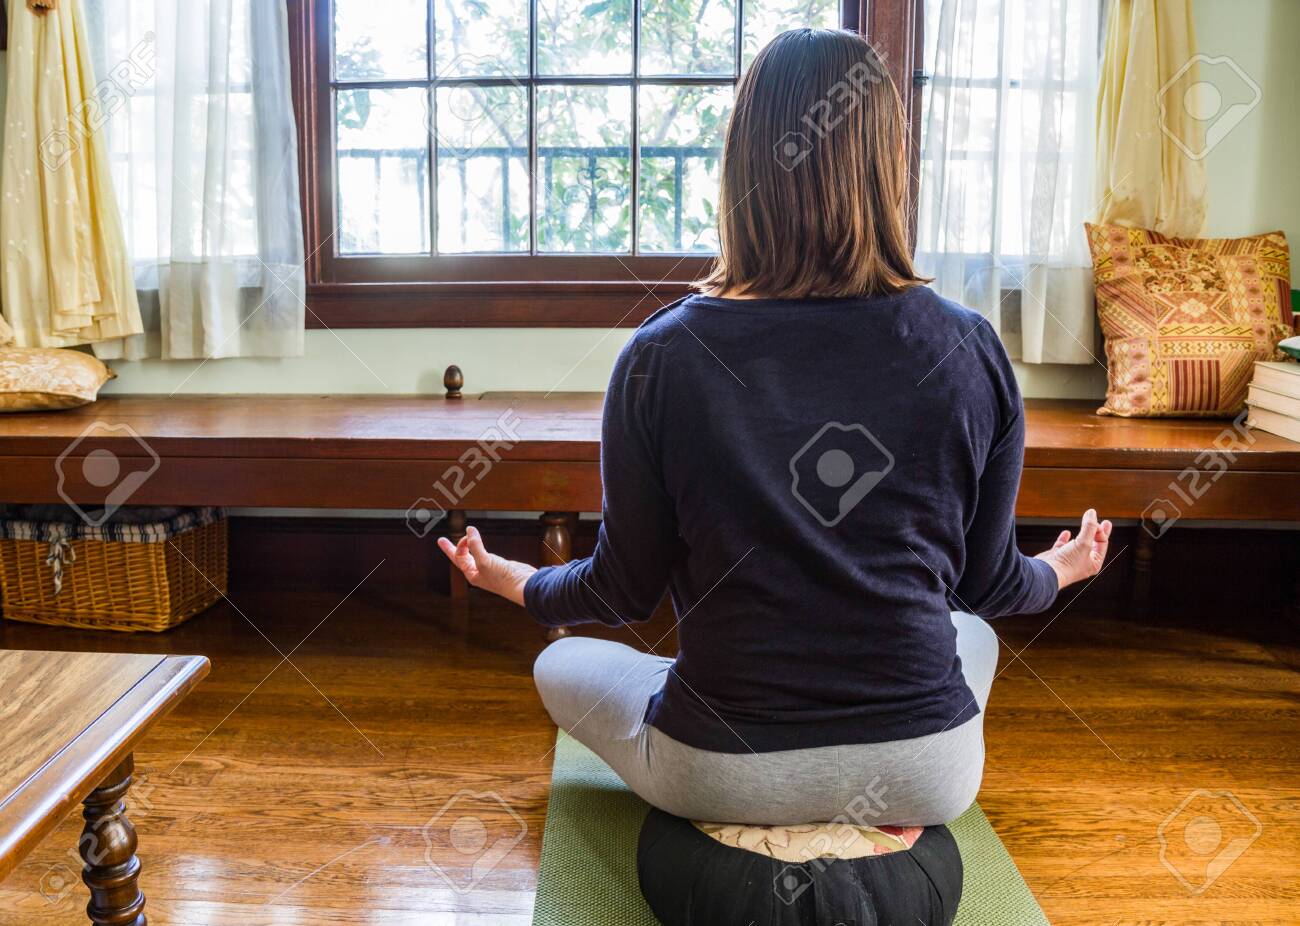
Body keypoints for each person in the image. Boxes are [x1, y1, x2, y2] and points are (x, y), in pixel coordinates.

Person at [439, 28, 1112, 827]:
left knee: (565, 662)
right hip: (930, 774)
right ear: (891, 165)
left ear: (743, 168)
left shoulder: (663, 357)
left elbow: (623, 589)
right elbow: (989, 585)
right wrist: (1063, 569)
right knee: (977, 637)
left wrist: (516, 579)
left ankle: (755, 827)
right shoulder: (970, 347)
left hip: (723, 771)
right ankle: (873, 831)